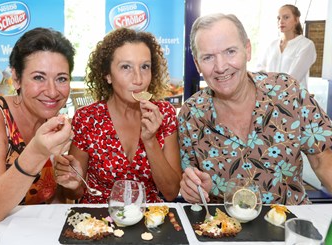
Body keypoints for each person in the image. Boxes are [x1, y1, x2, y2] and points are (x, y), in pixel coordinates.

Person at [178, 13, 332, 205]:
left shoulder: (288, 91)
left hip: (291, 228)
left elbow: (323, 161)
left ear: (247, 50)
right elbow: (192, 183)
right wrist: (195, 189)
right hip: (225, 229)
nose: (220, 66)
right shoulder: (190, 115)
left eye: (230, 52)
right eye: (208, 57)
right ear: (197, 63)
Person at [0, 27, 80, 222]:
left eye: (61, 78)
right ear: (16, 78)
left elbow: (55, 201)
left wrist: (71, 183)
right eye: (38, 77)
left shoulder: (56, 123)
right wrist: (37, 152)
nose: (52, 92)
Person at [54, 27, 182, 203]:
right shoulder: (87, 119)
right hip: (96, 222)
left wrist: (150, 140)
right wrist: (73, 184)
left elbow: (171, 192)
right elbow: (73, 194)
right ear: (107, 75)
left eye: (145, 66)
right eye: (126, 67)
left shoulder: (164, 114)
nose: (138, 79)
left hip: (149, 220)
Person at [256, 4, 316, 89]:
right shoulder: (272, 45)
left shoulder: (306, 45)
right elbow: (259, 71)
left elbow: (293, 78)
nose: (281, 21)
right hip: (269, 98)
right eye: (279, 18)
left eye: (286, 17)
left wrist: (268, 83)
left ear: (296, 20)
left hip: (293, 99)